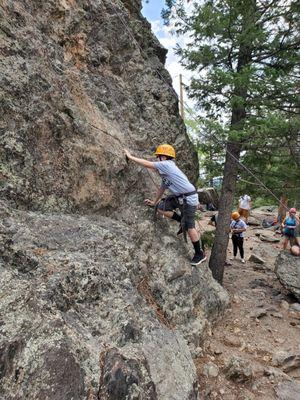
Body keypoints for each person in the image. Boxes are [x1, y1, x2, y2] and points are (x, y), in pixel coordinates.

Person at [124, 144, 206, 266]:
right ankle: (181, 221)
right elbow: (161, 189)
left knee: (190, 227)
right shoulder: (165, 173)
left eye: (158, 157)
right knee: (160, 207)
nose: (157, 159)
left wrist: (130, 157)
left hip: (188, 198)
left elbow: (147, 164)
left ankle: (199, 254)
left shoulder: (167, 165)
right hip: (180, 197)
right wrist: (154, 202)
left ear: (163, 157)